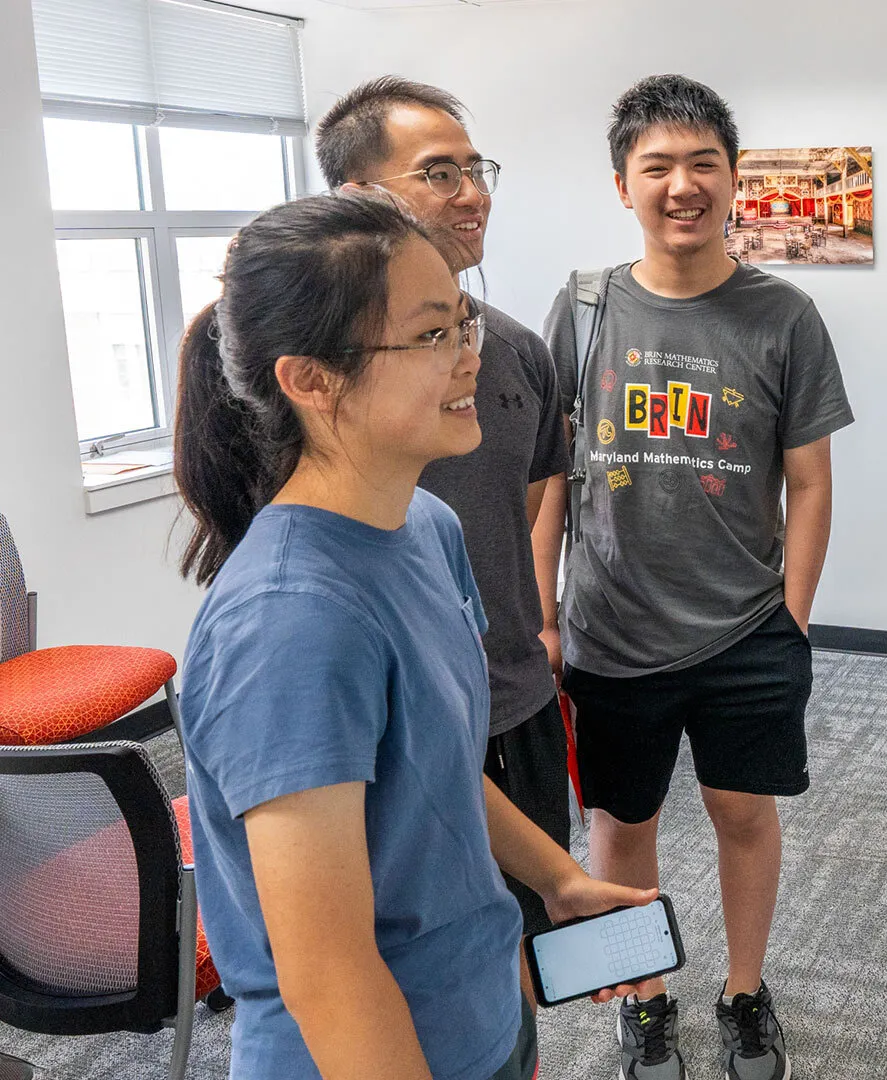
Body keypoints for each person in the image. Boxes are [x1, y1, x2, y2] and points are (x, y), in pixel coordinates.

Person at [171, 193, 655, 1080]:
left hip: (476, 1015)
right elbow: (330, 976)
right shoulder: (288, 624)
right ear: (311, 380)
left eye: (463, 323)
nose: (472, 357)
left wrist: (556, 877)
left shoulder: (425, 526)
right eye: (432, 336)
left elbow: (433, 764)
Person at [543, 74, 853, 1080]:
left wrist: (793, 620)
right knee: (618, 827)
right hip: (611, 630)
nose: (682, 185)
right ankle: (642, 1001)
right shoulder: (584, 308)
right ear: (623, 184)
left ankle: (744, 992)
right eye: (658, 167)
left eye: (703, 164)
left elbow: (810, 482)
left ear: (734, 179)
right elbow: (553, 473)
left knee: (742, 814)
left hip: (745, 630)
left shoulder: (784, 314)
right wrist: (541, 612)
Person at [314, 78, 576, 971]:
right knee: (407, 959)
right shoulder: (318, 376)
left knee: (523, 948)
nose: (473, 194)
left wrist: (537, 626)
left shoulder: (515, 350)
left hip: (514, 697)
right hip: (393, 723)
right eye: (439, 173)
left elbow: (529, 502)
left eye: (477, 169)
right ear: (359, 199)